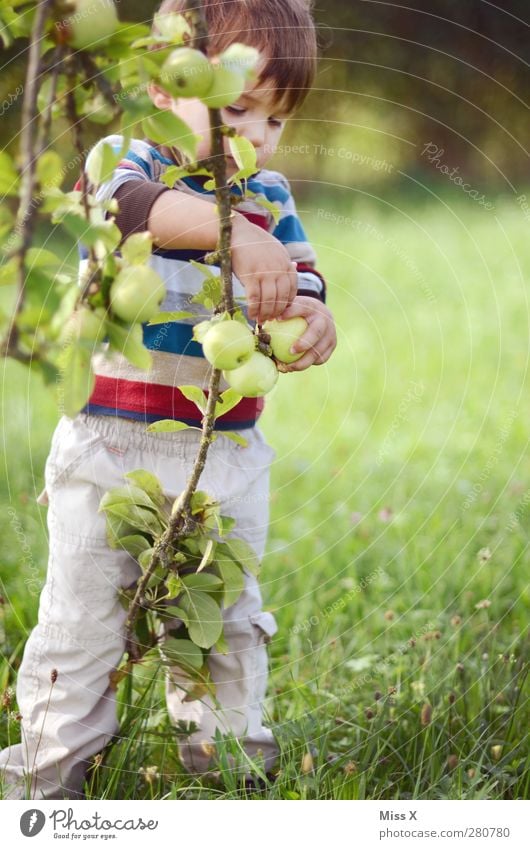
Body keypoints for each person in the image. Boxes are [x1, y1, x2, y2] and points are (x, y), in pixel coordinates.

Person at [0, 0, 336, 799]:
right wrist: (232, 234)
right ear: (163, 84)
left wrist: (312, 315)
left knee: (223, 630)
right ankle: (43, 792)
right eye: (241, 110)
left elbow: (305, 279)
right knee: (81, 626)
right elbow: (125, 213)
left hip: (228, 452)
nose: (256, 138)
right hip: (110, 443)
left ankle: (226, 782)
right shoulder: (129, 160)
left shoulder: (271, 197)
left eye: (277, 121)